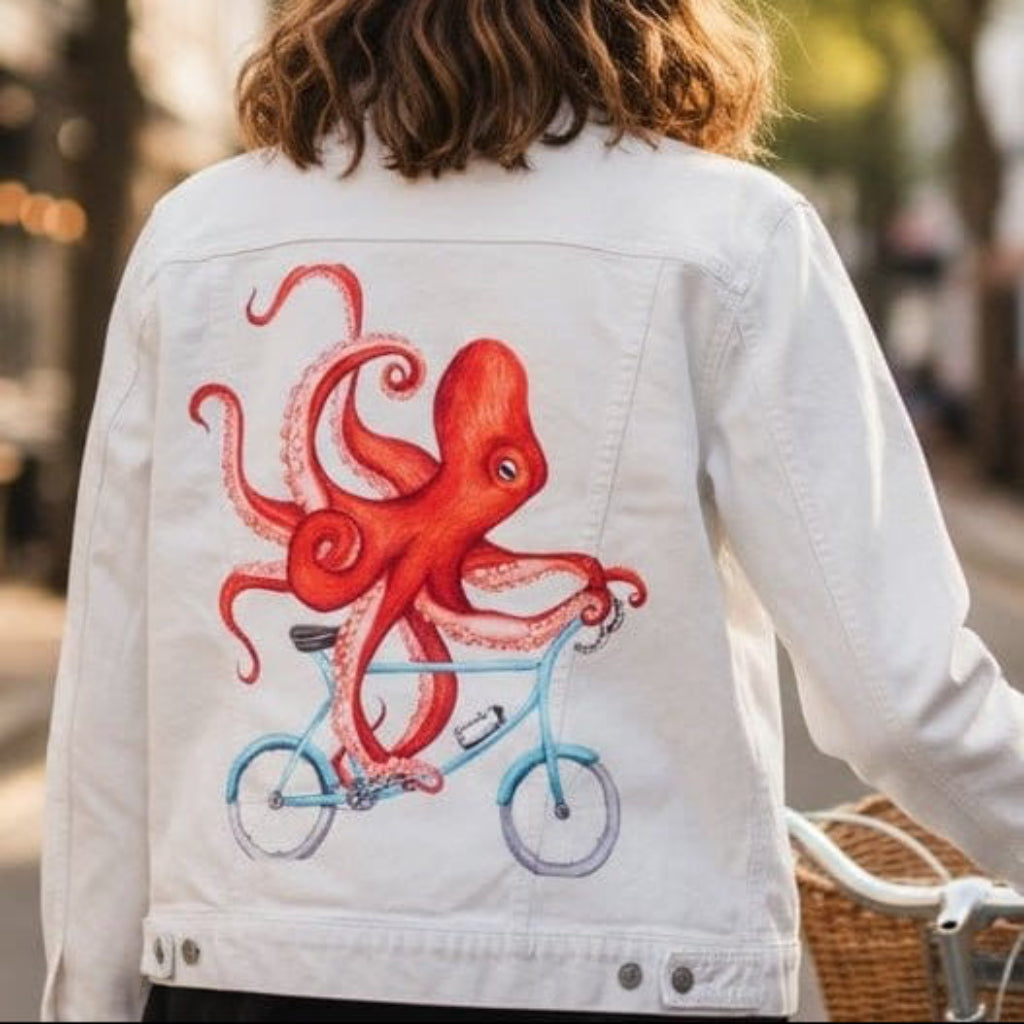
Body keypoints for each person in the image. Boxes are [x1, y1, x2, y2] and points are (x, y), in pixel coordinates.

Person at [40, 1, 1024, 1021]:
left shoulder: (196, 240)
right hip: (629, 983)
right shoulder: (730, 239)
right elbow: (903, 700)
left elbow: (112, 709)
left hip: (240, 977)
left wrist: (91, 1002)